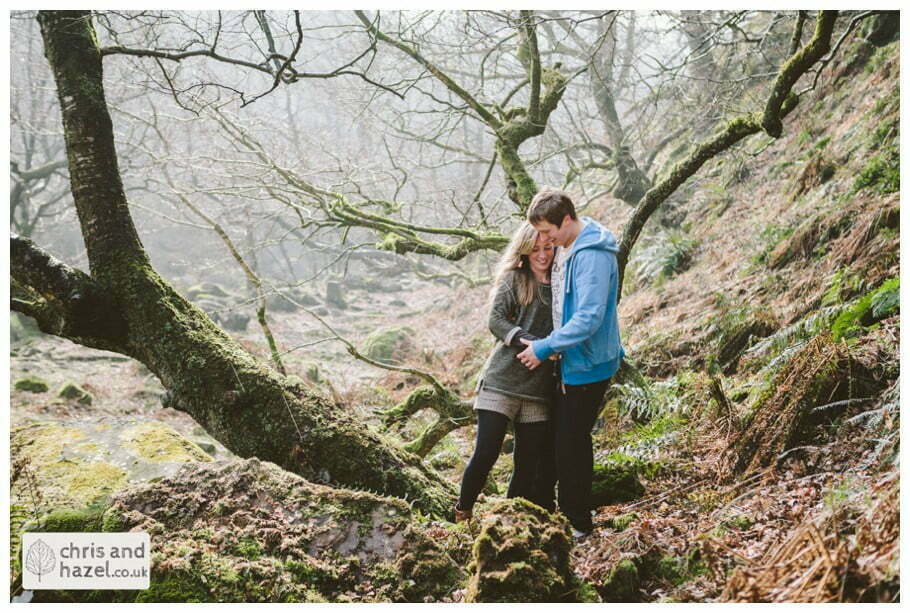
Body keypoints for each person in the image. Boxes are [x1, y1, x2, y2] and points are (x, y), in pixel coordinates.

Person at [516, 187, 625, 538]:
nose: (544, 239)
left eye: (548, 231)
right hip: (570, 360)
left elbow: (589, 317)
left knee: (571, 445)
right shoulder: (568, 247)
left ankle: (578, 524)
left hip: (588, 363)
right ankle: (555, 514)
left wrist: (544, 348)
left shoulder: (592, 254)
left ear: (566, 220)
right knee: (559, 442)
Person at [455, 222, 557, 522]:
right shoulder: (515, 279)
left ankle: (508, 523)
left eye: (547, 248)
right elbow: (495, 320)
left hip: (537, 390)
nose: (542, 255)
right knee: (486, 453)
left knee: (527, 464)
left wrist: (546, 351)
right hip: (501, 382)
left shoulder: (563, 282)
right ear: (524, 251)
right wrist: (530, 342)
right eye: (535, 249)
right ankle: (463, 512)